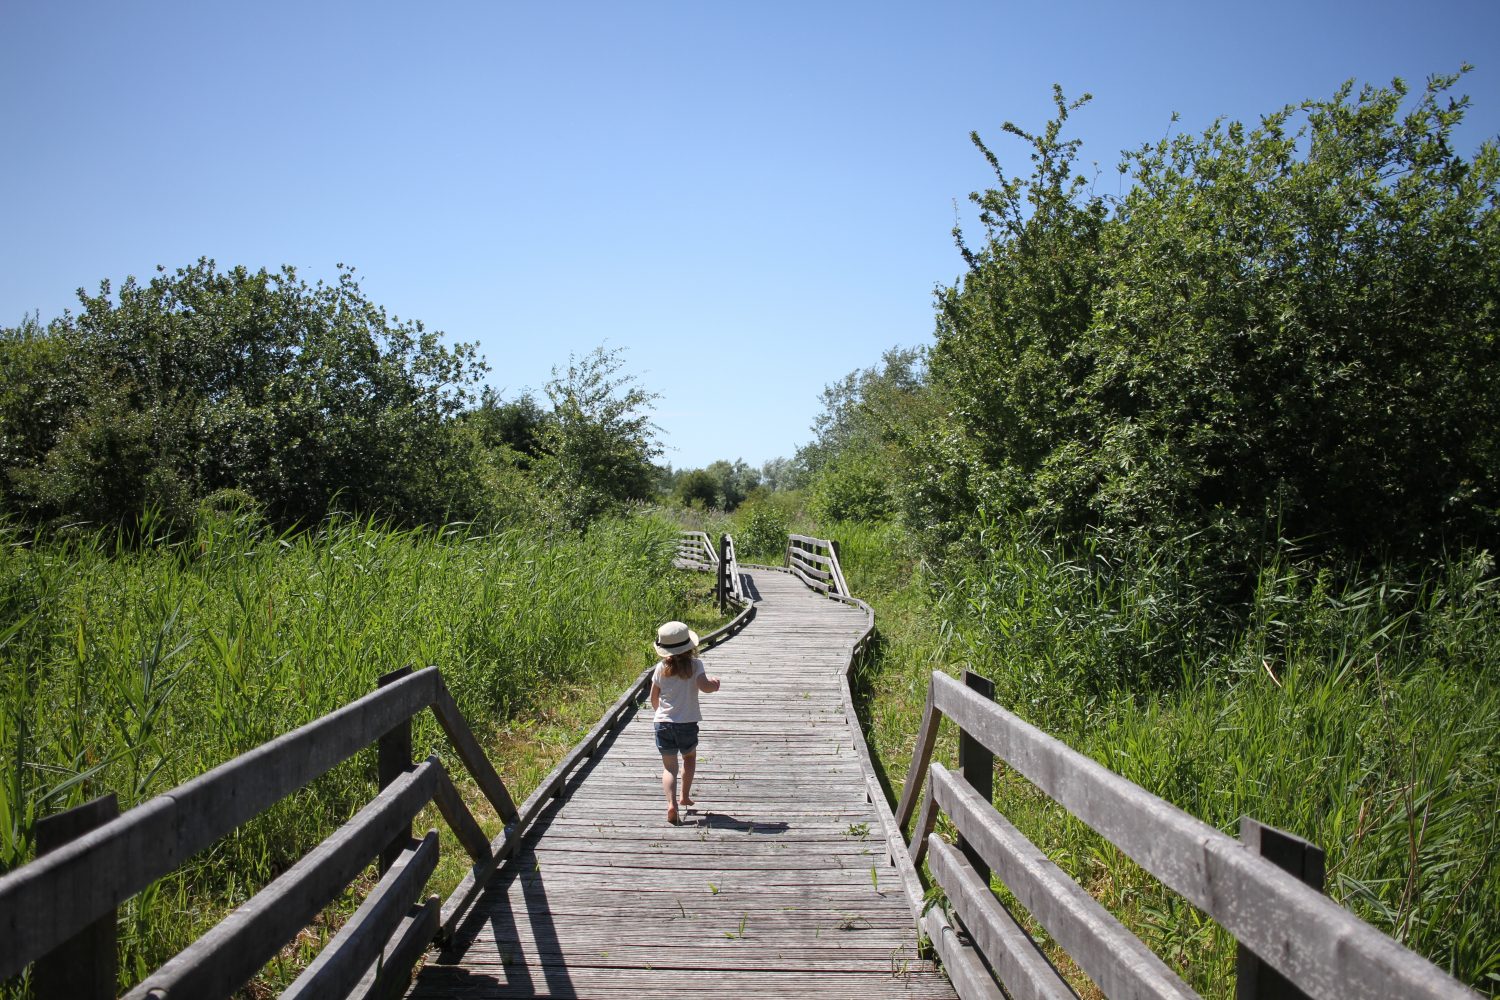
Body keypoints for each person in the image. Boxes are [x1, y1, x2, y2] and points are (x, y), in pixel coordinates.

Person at [650, 620, 722, 824]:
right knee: (689, 759)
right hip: (687, 724)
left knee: (669, 768)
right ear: (690, 646)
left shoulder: (660, 668)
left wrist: (660, 714)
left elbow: (654, 697)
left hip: (663, 723)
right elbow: (704, 686)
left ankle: (671, 804)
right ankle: (684, 796)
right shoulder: (696, 665)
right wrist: (714, 685)